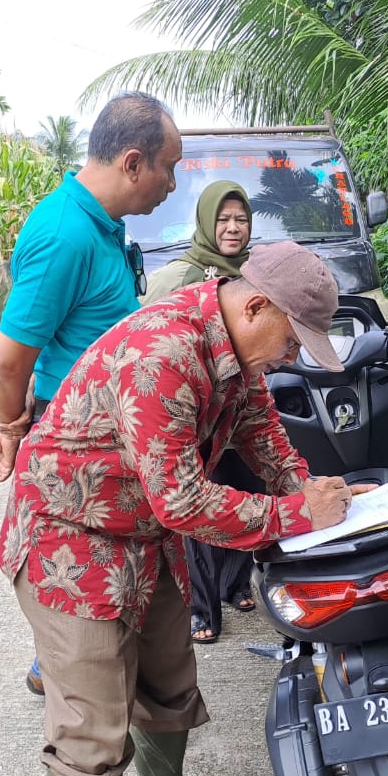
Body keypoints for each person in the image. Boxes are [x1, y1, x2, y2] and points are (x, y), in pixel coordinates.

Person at [0, 241, 366, 776]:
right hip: (69, 540)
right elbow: (184, 500)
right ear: (256, 305)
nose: (293, 357)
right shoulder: (164, 354)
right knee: (92, 711)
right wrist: (293, 516)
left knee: (169, 672)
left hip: (139, 530)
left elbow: (262, 433)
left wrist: (317, 493)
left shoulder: (236, 350)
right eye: (293, 338)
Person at [0, 91, 182, 696]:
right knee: (81, 594)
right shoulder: (65, 233)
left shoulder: (103, 226)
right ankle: (63, 671)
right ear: (132, 163)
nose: (172, 184)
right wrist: (14, 431)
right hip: (74, 447)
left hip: (109, 437)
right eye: (168, 166)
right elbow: (9, 361)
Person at [141, 181, 259, 643]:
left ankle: (233, 586)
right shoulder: (178, 276)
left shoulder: (256, 274)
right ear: (207, 222)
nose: (232, 228)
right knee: (202, 513)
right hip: (193, 416)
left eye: (241, 219)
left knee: (250, 491)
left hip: (238, 413)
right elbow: (146, 345)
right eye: (223, 219)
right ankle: (202, 609)